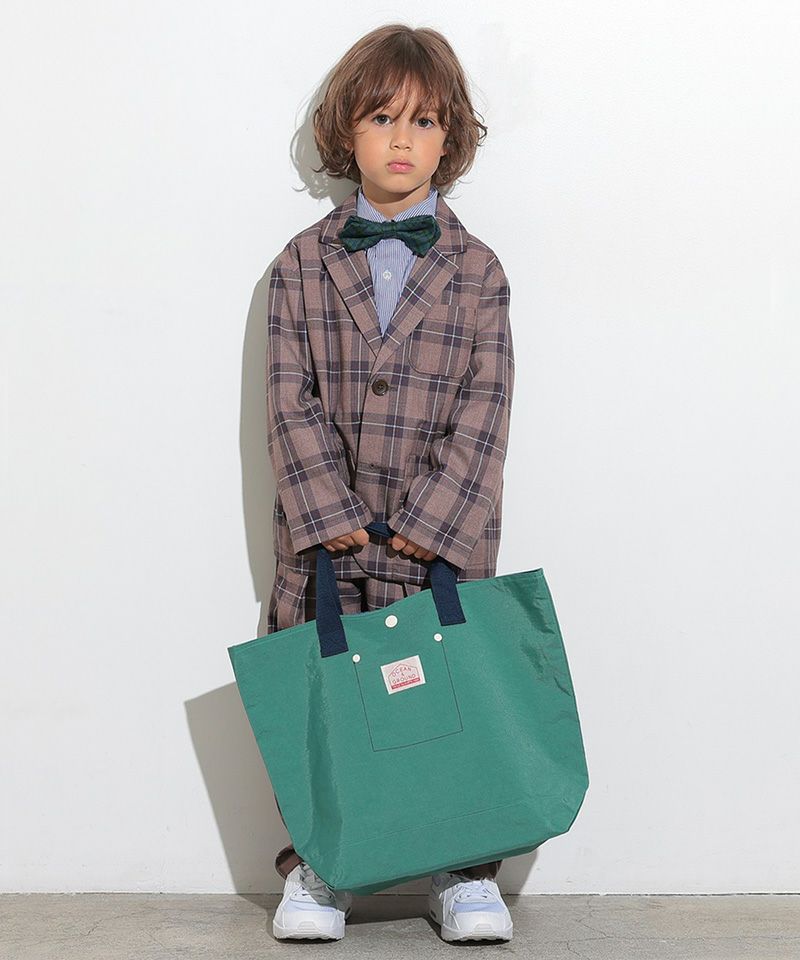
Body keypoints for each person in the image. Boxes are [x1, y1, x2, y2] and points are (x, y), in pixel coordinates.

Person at [265, 23, 515, 943]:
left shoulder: (479, 270)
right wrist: (327, 513)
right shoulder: (299, 264)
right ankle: (319, 864)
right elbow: (287, 399)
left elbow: (488, 407)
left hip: (438, 546)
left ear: (452, 137)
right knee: (325, 704)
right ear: (347, 130)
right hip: (326, 549)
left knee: (448, 702)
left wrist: (433, 521)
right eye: (381, 118)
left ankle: (464, 868)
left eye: (424, 120)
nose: (402, 139)